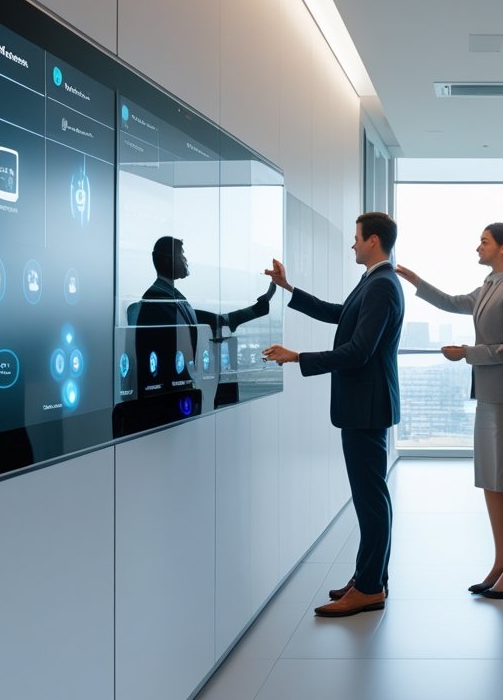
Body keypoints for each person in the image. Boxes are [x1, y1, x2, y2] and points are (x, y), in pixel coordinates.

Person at [261, 213, 404, 618]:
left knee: (370, 499)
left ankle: (371, 586)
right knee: (370, 496)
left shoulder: (382, 285)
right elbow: (342, 313)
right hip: (365, 405)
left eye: (356, 239)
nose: (353, 245)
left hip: (366, 407)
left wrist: (297, 357)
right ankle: (368, 577)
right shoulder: (376, 282)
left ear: (373, 240)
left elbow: (358, 351)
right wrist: (290, 289)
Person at [396, 224, 503, 599]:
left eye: (484, 242)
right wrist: (417, 282)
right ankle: (502, 558)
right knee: (490, 479)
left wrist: (466, 354)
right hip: (489, 395)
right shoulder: (489, 285)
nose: (478, 246)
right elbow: (452, 302)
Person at [133, 236, 274, 389]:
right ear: (168, 260)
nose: (185, 260)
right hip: (167, 390)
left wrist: (258, 308)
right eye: (181, 254)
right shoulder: (157, 300)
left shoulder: (172, 298)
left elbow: (218, 320)